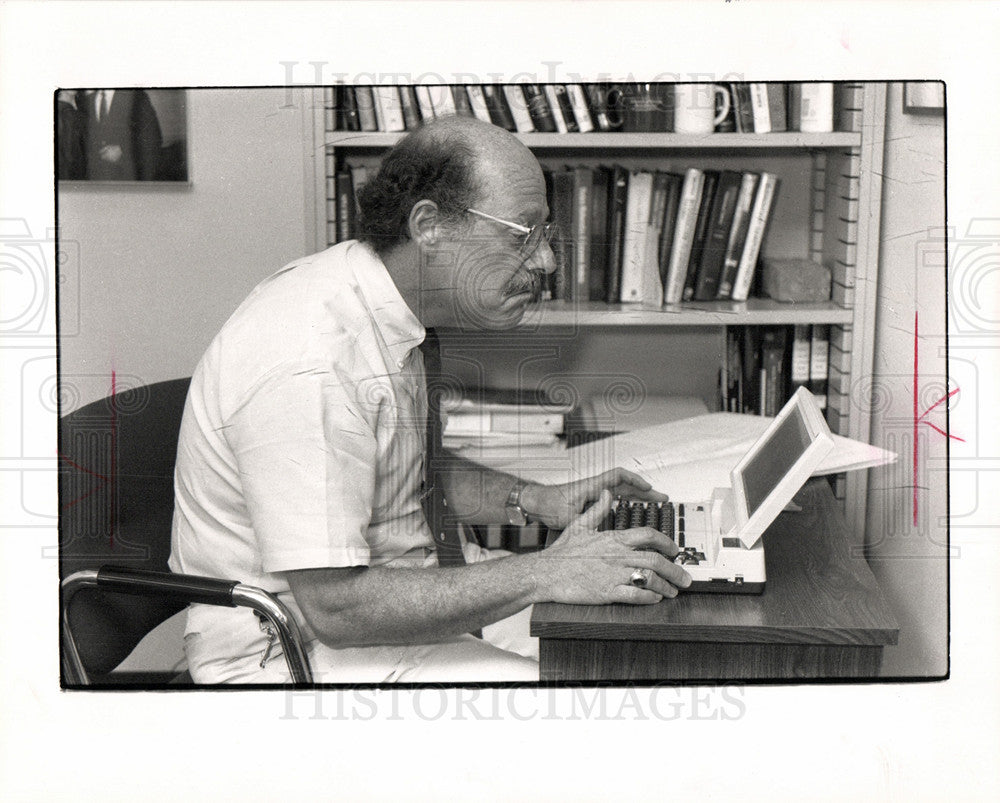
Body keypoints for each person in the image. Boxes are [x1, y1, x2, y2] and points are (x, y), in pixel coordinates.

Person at [169, 116, 691, 683]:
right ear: (429, 226)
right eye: (522, 235)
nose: (546, 263)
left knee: (646, 643)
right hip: (294, 647)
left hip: (400, 592)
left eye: (546, 236)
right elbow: (337, 608)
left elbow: (399, 471)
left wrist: (538, 501)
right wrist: (548, 572)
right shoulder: (312, 361)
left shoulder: (382, 300)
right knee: (598, 692)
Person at [80, 88, 162, 180]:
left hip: (125, 179)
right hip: (96, 181)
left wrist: (123, 151)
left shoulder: (136, 97)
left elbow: (152, 138)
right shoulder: (88, 100)